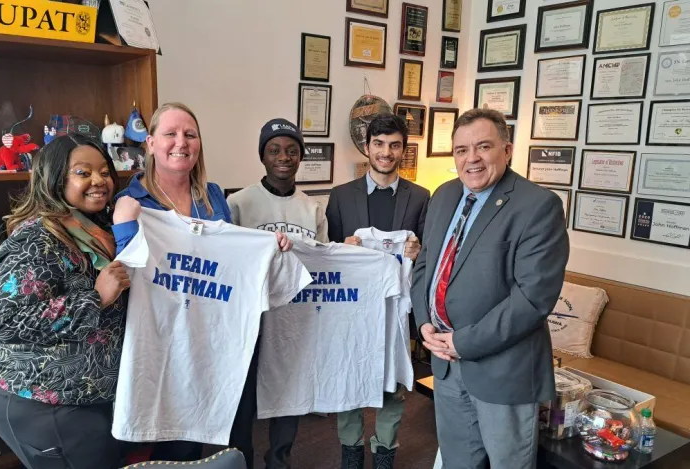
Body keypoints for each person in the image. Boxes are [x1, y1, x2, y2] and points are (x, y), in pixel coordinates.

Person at [113, 102, 291, 465]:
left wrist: (269, 248)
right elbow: (125, 276)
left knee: (238, 430)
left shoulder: (212, 197)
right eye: (170, 134)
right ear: (149, 143)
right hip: (166, 338)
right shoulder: (132, 202)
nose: (181, 142)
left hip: (218, 331)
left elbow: (227, 259)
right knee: (177, 439)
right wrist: (125, 228)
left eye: (190, 135)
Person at [410, 108, 569, 469]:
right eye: (462, 150)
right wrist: (424, 325)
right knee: (457, 462)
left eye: (483, 146)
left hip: (503, 371)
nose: (472, 159)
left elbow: (532, 299)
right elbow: (425, 266)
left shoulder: (538, 206)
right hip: (446, 364)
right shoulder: (444, 195)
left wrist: (462, 342)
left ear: (507, 150)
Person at [0, 134, 137, 469]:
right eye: (83, 172)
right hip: (40, 398)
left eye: (105, 172)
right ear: (55, 180)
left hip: (83, 396)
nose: (99, 180)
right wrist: (95, 298)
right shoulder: (38, 237)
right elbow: (7, 320)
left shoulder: (98, 227)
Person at [326, 113, 430, 469]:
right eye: (379, 144)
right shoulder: (340, 196)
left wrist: (418, 252)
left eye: (395, 145)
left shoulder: (420, 196)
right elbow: (329, 256)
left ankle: (385, 451)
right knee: (349, 381)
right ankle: (350, 453)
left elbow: (428, 256)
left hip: (395, 310)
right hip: (353, 310)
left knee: (392, 386)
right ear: (367, 146)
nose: (386, 152)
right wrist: (343, 246)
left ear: (404, 150)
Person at [226, 118, 327, 469]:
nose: (283, 157)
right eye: (274, 150)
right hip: (250, 318)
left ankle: (279, 461)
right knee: (245, 398)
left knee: (288, 395)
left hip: (293, 319)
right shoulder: (238, 203)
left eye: (291, 150)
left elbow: (323, 262)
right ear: (263, 156)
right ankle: (241, 459)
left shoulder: (312, 208)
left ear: (300, 156)